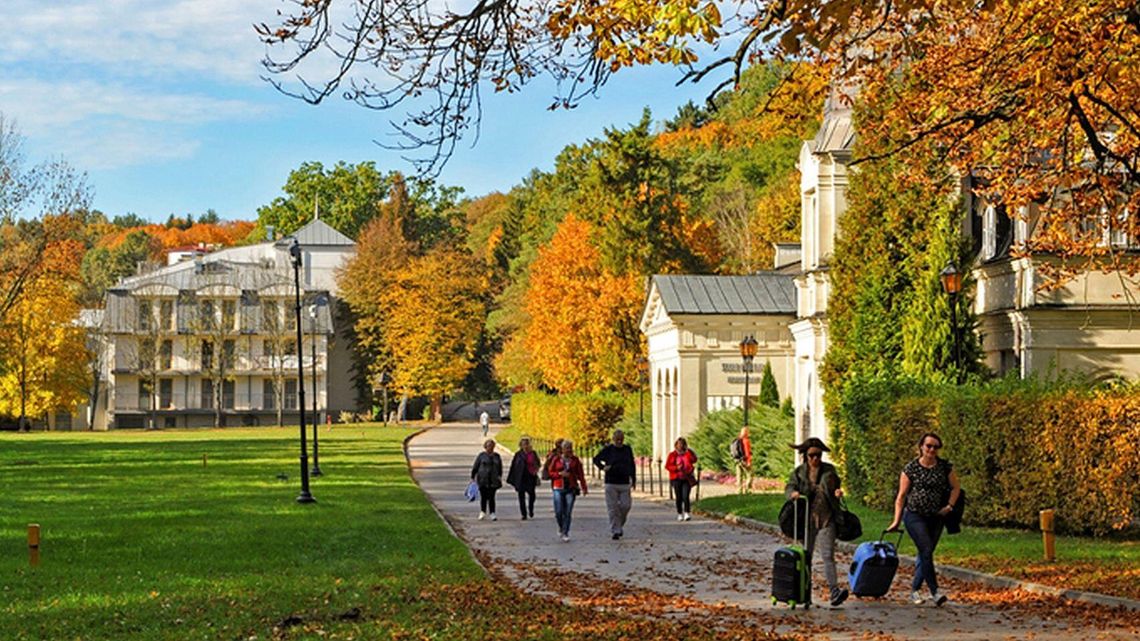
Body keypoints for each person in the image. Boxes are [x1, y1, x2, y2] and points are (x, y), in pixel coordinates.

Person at [886, 432, 961, 607]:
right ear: (921, 446)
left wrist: (949, 506)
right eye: (929, 446)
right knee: (926, 550)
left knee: (925, 553)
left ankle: (914, 590)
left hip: (936, 516)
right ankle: (935, 592)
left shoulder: (944, 467)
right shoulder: (911, 468)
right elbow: (901, 496)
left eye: (936, 447)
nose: (932, 450)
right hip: (914, 515)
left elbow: (956, 488)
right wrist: (896, 521)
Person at [785, 437, 849, 608]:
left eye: (819, 455)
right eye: (812, 455)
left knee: (828, 556)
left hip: (827, 519)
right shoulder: (799, 472)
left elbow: (836, 486)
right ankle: (804, 593)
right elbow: (789, 487)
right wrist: (793, 494)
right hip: (806, 520)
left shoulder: (829, 471)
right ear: (806, 456)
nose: (816, 459)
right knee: (806, 557)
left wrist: (837, 493)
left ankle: (834, 591)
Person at [593, 429, 636, 540]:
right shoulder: (608, 450)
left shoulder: (627, 449)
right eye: (617, 439)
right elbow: (596, 459)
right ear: (613, 439)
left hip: (624, 482)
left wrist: (633, 478)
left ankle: (619, 524)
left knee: (626, 506)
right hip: (611, 482)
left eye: (621, 439)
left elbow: (632, 464)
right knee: (612, 508)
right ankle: (615, 530)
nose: (619, 441)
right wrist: (603, 467)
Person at [545, 439, 587, 541]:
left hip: (571, 488)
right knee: (559, 511)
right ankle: (561, 526)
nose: (569, 450)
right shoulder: (556, 459)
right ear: (562, 450)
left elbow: (580, 474)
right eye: (566, 448)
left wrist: (584, 487)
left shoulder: (575, 460)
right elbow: (550, 473)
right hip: (558, 487)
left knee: (568, 511)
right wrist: (559, 474)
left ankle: (565, 532)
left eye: (570, 448)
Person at [506, 437, 541, 520]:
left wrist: (536, 470)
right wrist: (512, 478)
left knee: (532, 495)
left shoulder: (533, 453)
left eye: (527, 444)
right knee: (521, 496)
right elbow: (513, 466)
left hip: (530, 476)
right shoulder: (518, 454)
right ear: (521, 446)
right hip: (520, 477)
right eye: (524, 444)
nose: (525, 446)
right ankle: (523, 514)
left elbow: (538, 463)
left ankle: (530, 508)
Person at [664, 437, 697, 521]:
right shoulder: (672, 455)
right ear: (676, 445)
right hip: (676, 478)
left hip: (687, 478)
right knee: (678, 497)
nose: (680, 446)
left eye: (682, 444)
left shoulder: (687, 453)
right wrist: (676, 468)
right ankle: (679, 513)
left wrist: (689, 451)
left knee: (686, 496)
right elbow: (667, 466)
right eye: (679, 444)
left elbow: (694, 460)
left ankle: (686, 512)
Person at [470, 439, 503, 521]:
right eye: (488, 446)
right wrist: (473, 476)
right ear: (485, 447)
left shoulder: (497, 456)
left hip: (493, 480)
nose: (490, 448)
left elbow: (500, 468)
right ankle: (482, 512)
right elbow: (476, 466)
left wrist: (499, 476)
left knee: (492, 497)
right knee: (483, 497)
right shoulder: (481, 456)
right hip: (482, 479)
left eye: (492, 446)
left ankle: (492, 513)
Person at [735, 426, 754, 494]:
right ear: (746, 432)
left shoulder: (738, 440)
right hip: (744, 460)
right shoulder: (746, 441)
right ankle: (747, 489)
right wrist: (748, 461)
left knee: (739, 476)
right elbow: (747, 452)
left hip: (737, 461)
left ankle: (739, 491)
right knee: (749, 475)